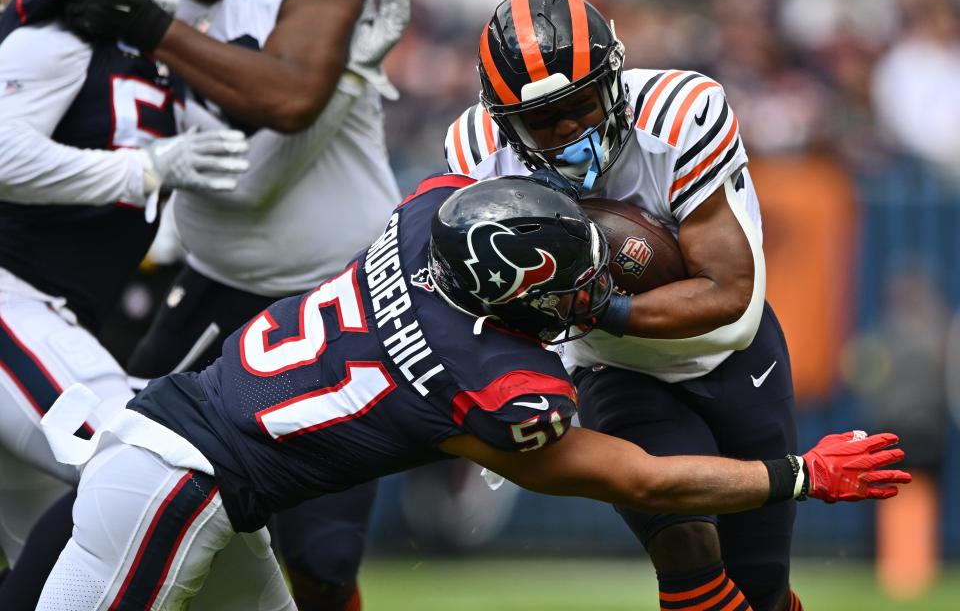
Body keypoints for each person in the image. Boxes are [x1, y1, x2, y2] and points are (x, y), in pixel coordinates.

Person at [35, 173, 908, 610]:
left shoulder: (428, 216)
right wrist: (800, 475)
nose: (588, 305)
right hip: (178, 485)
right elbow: (643, 480)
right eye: (570, 292)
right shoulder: (497, 386)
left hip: (200, 470)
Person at [443, 0, 814, 611]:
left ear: (613, 78)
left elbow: (728, 294)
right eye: (543, 120)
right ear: (505, 123)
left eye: (582, 105)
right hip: (612, 369)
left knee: (762, 589)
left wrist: (600, 306)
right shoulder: (477, 156)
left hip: (735, 357)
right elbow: (468, 300)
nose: (567, 130)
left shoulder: (680, 113)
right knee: (686, 545)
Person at [56, 0, 409, 608]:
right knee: (114, 471)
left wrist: (147, 24)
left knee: (322, 560)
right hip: (214, 287)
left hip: (339, 301)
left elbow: (287, 104)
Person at [0, 0, 247, 606]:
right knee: (153, 457)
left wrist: (348, 77)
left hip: (54, 309)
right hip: (12, 295)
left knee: (54, 567)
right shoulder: (62, 24)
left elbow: (252, 116)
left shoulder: (161, 41)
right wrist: (139, 169)